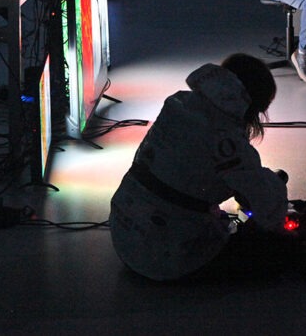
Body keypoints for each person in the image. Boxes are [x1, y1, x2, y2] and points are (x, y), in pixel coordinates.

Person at [109, 53, 290, 282]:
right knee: (277, 252)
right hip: (163, 257)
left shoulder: (179, 104)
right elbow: (267, 207)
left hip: (124, 230)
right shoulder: (227, 141)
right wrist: (273, 190)